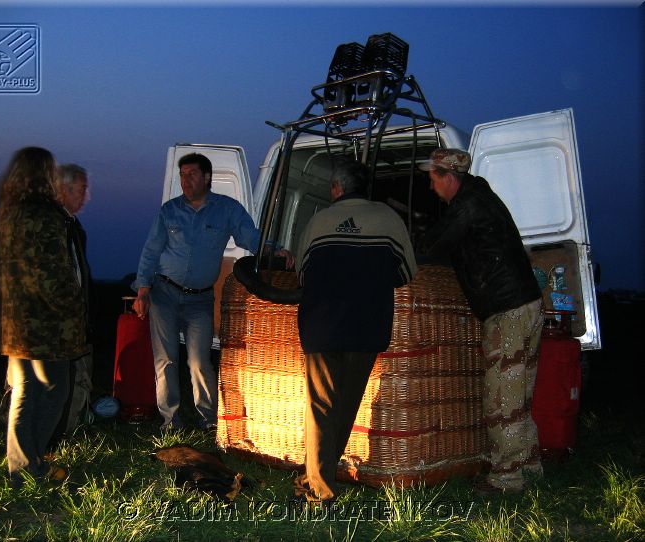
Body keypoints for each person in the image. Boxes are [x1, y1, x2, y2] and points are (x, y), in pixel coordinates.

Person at [133, 152, 293, 431]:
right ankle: (170, 420)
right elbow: (150, 251)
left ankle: (208, 419)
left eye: (192, 174)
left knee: (199, 361)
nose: (186, 180)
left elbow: (249, 235)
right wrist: (142, 290)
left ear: (207, 178)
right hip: (165, 294)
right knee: (166, 360)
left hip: (200, 299)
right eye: (182, 175)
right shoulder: (169, 211)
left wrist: (273, 248)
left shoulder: (227, 209)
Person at [418, 148, 544, 496]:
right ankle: (530, 468)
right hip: (526, 303)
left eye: (432, 179)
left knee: (502, 396)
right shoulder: (482, 197)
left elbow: (432, 246)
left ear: (448, 177)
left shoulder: (468, 206)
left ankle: (506, 479)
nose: (431, 188)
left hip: (509, 309)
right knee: (518, 393)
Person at [294, 159, 417, 503]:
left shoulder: (318, 220)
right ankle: (321, 474)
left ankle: (318, 487)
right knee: (346, 403)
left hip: (322, 326)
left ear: (336, 189)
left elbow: (302, 274)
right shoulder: (389, 220)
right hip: (366, 325)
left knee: (320, 405)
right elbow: (407, 272)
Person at [0, 147, 90, 487]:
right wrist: (73, 304)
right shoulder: (45, 216)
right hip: (46, 325)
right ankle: (25, 467)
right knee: (49, 392)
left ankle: (26, 464)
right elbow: (52, 273)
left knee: (28, 392)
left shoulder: (11, 213)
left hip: (18, 321)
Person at [51, 164, 94, 435]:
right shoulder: (49, 225)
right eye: (82, 189)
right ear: (64, 190)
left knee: (76, 378)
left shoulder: (74, 226)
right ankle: (44, 443)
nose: (86, 196)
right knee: (50, 384)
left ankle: (66, 432)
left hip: (75, 319)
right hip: (53, 323)